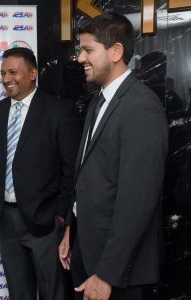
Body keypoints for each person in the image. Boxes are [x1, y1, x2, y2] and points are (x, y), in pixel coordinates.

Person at [58, 12, 168, 300]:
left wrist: (108, 273)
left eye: (88, 50)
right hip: (87, 249)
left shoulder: (141, 106)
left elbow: (138, 200)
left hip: (117, 269)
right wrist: (72, 228)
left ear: (116, 51)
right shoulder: (98, 101)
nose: (80, 58)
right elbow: (88, 175)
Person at [0, 47, 79, 300]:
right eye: (3, 73)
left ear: (33, 73)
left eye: (13, 72)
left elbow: (70, 169)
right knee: (19, 292)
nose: (7, 78)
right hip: (6, 219)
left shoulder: (59, 111)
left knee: (54, 292)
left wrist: (61, 216)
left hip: (45, 221)